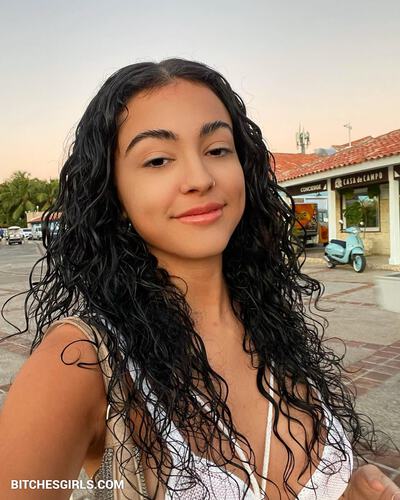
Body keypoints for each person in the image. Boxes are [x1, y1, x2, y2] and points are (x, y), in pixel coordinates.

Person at [0, 58, 399, 500]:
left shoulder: (271, 322)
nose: (200, 178)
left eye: (217, 150)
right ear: (114, 195)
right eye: (157, 160)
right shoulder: (78, 362)